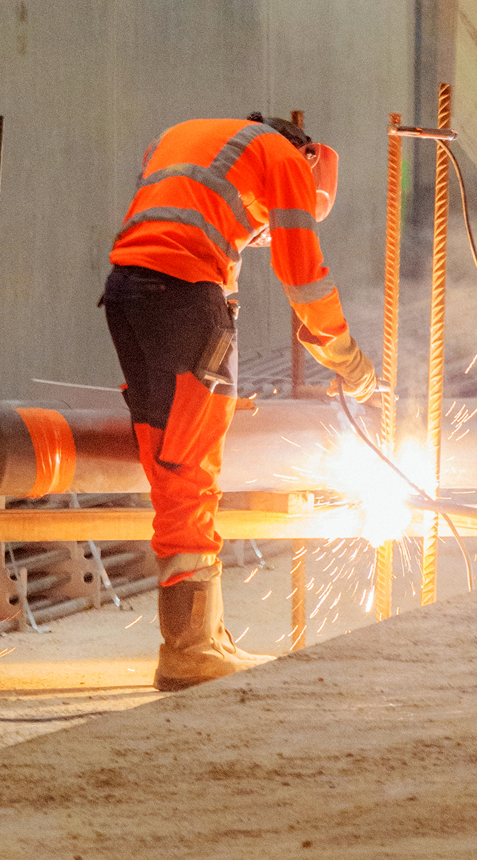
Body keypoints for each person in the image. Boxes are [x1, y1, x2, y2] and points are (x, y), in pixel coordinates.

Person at [102, 114, 377, 691]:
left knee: (166, 458)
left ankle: (204, 633)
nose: (267, 233)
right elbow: (304, 279)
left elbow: (192, 238)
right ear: (309, 165)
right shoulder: (284, 160)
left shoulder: (189, 138)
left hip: (127, 292)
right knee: (191, 468)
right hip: (181, 297)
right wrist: (347, 357)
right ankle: (189, 645)